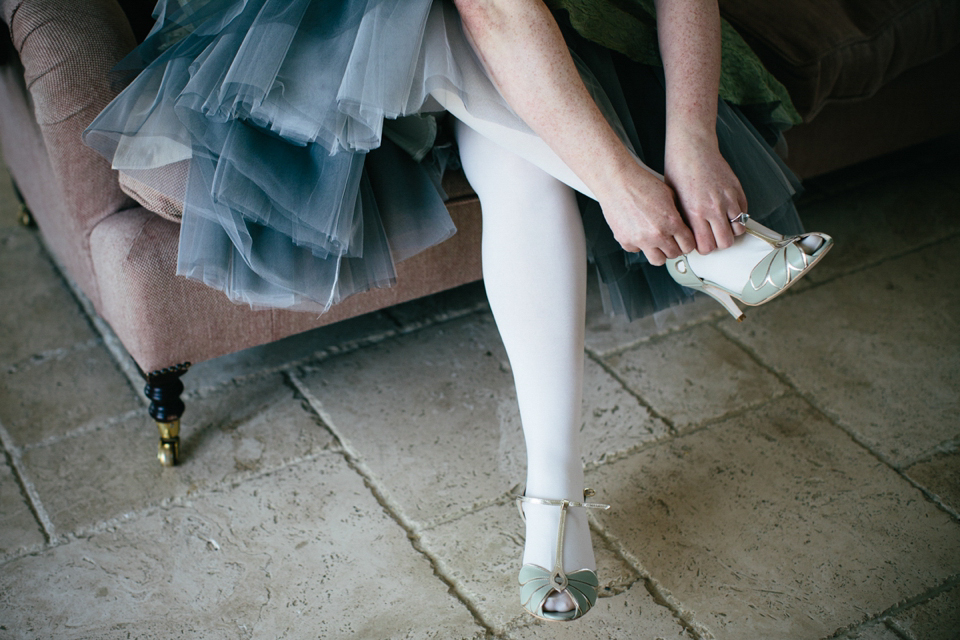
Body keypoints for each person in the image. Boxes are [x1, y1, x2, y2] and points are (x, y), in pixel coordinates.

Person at [84, 0, 831, 622]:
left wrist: (692, 138)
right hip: (337, 35)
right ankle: (698, 253)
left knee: (519, 166)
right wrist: (622, 183)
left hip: (525, 31)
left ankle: (555, 499)